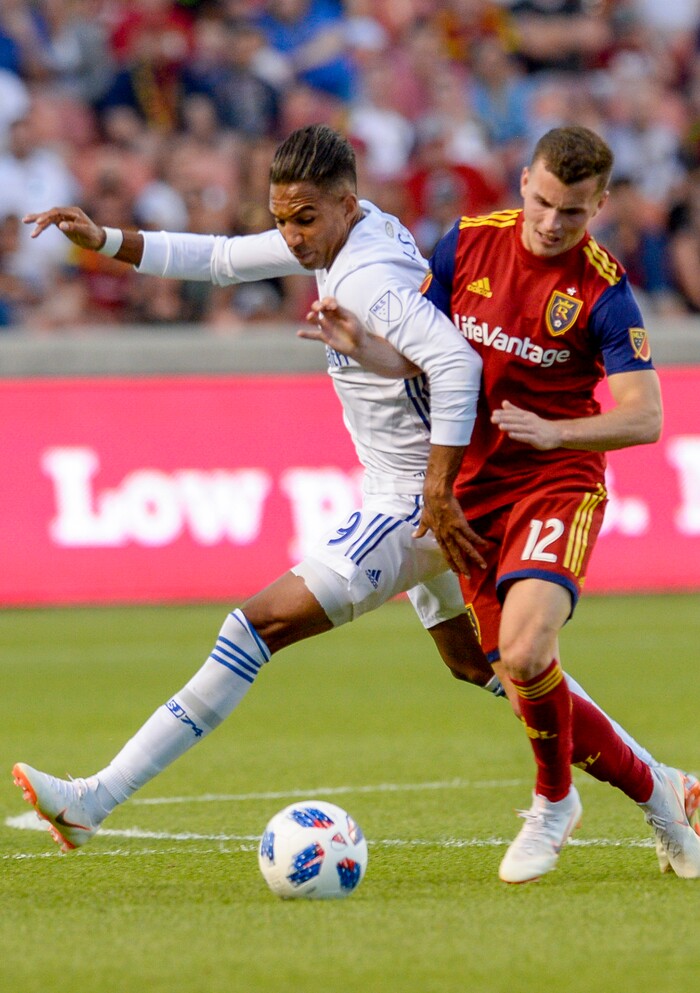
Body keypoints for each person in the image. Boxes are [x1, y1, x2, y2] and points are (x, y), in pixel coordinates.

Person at [13, 125, 700, 883]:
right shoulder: (342, 236)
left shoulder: (368, 275)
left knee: (254, 626)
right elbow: (215, 259)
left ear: (342, 204)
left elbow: (454, 363)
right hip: (415, 487)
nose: (289, 235)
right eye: (281, 218)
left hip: (418, 496)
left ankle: (93, 800)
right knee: (492, 666)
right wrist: (102, 237)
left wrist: (436, 491)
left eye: (302, 218)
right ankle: (660, 784)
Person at [393, 123, 700, 882]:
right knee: (517, 674)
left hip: (554, 482)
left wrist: (554, 431)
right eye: (541, 201)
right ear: (524, 178)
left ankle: (553, 799)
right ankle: (662, 792)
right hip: (469, 493)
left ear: (598, 206)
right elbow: (413, 350)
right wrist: (358, 344)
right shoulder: (465, 243)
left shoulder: (603, 289)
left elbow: (646, 415)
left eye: (572, 211)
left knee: (528, 652)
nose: (550, 222)